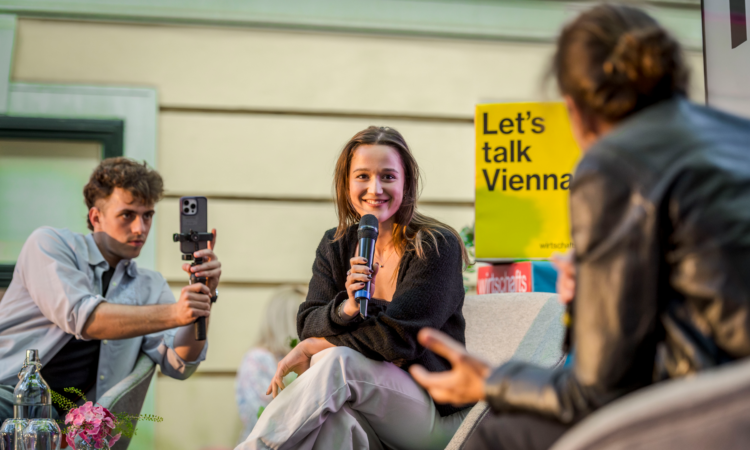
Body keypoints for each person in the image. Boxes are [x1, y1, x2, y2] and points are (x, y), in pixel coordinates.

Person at [409, 4, 750, 450]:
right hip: (729, 390)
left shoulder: (611, 163)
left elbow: (595, 390)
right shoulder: (735, 133)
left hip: (717, 407)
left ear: (575, 109)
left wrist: (491, 381)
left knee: (494, 436)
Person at [238, 126, 471, 450]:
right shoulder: (336, 244)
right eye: (362, 176)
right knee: (336, 422)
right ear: (346, 183)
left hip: (437, 413)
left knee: (334, 362)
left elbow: (399, 340)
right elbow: (307, 322)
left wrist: (312, 347)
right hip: (374, 406)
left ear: (406, 182)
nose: (375, 189)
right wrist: (345, 308)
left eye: (388, 176)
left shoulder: (434, 245)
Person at [0, 157, 222, 421]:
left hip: (73, 427)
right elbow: (86, 318)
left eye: (147, 215)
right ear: (97, 217)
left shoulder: (150, 286)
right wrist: (175, 313)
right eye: (127, 215)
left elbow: (180, 363)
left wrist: (203, 298)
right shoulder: (49, 245)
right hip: (9, 395)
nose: (140, 228)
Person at [235, 285, 306, 443]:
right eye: (307, 317)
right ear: (289, 321)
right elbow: (260, 421)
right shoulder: (257, 360)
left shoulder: (303, 358)